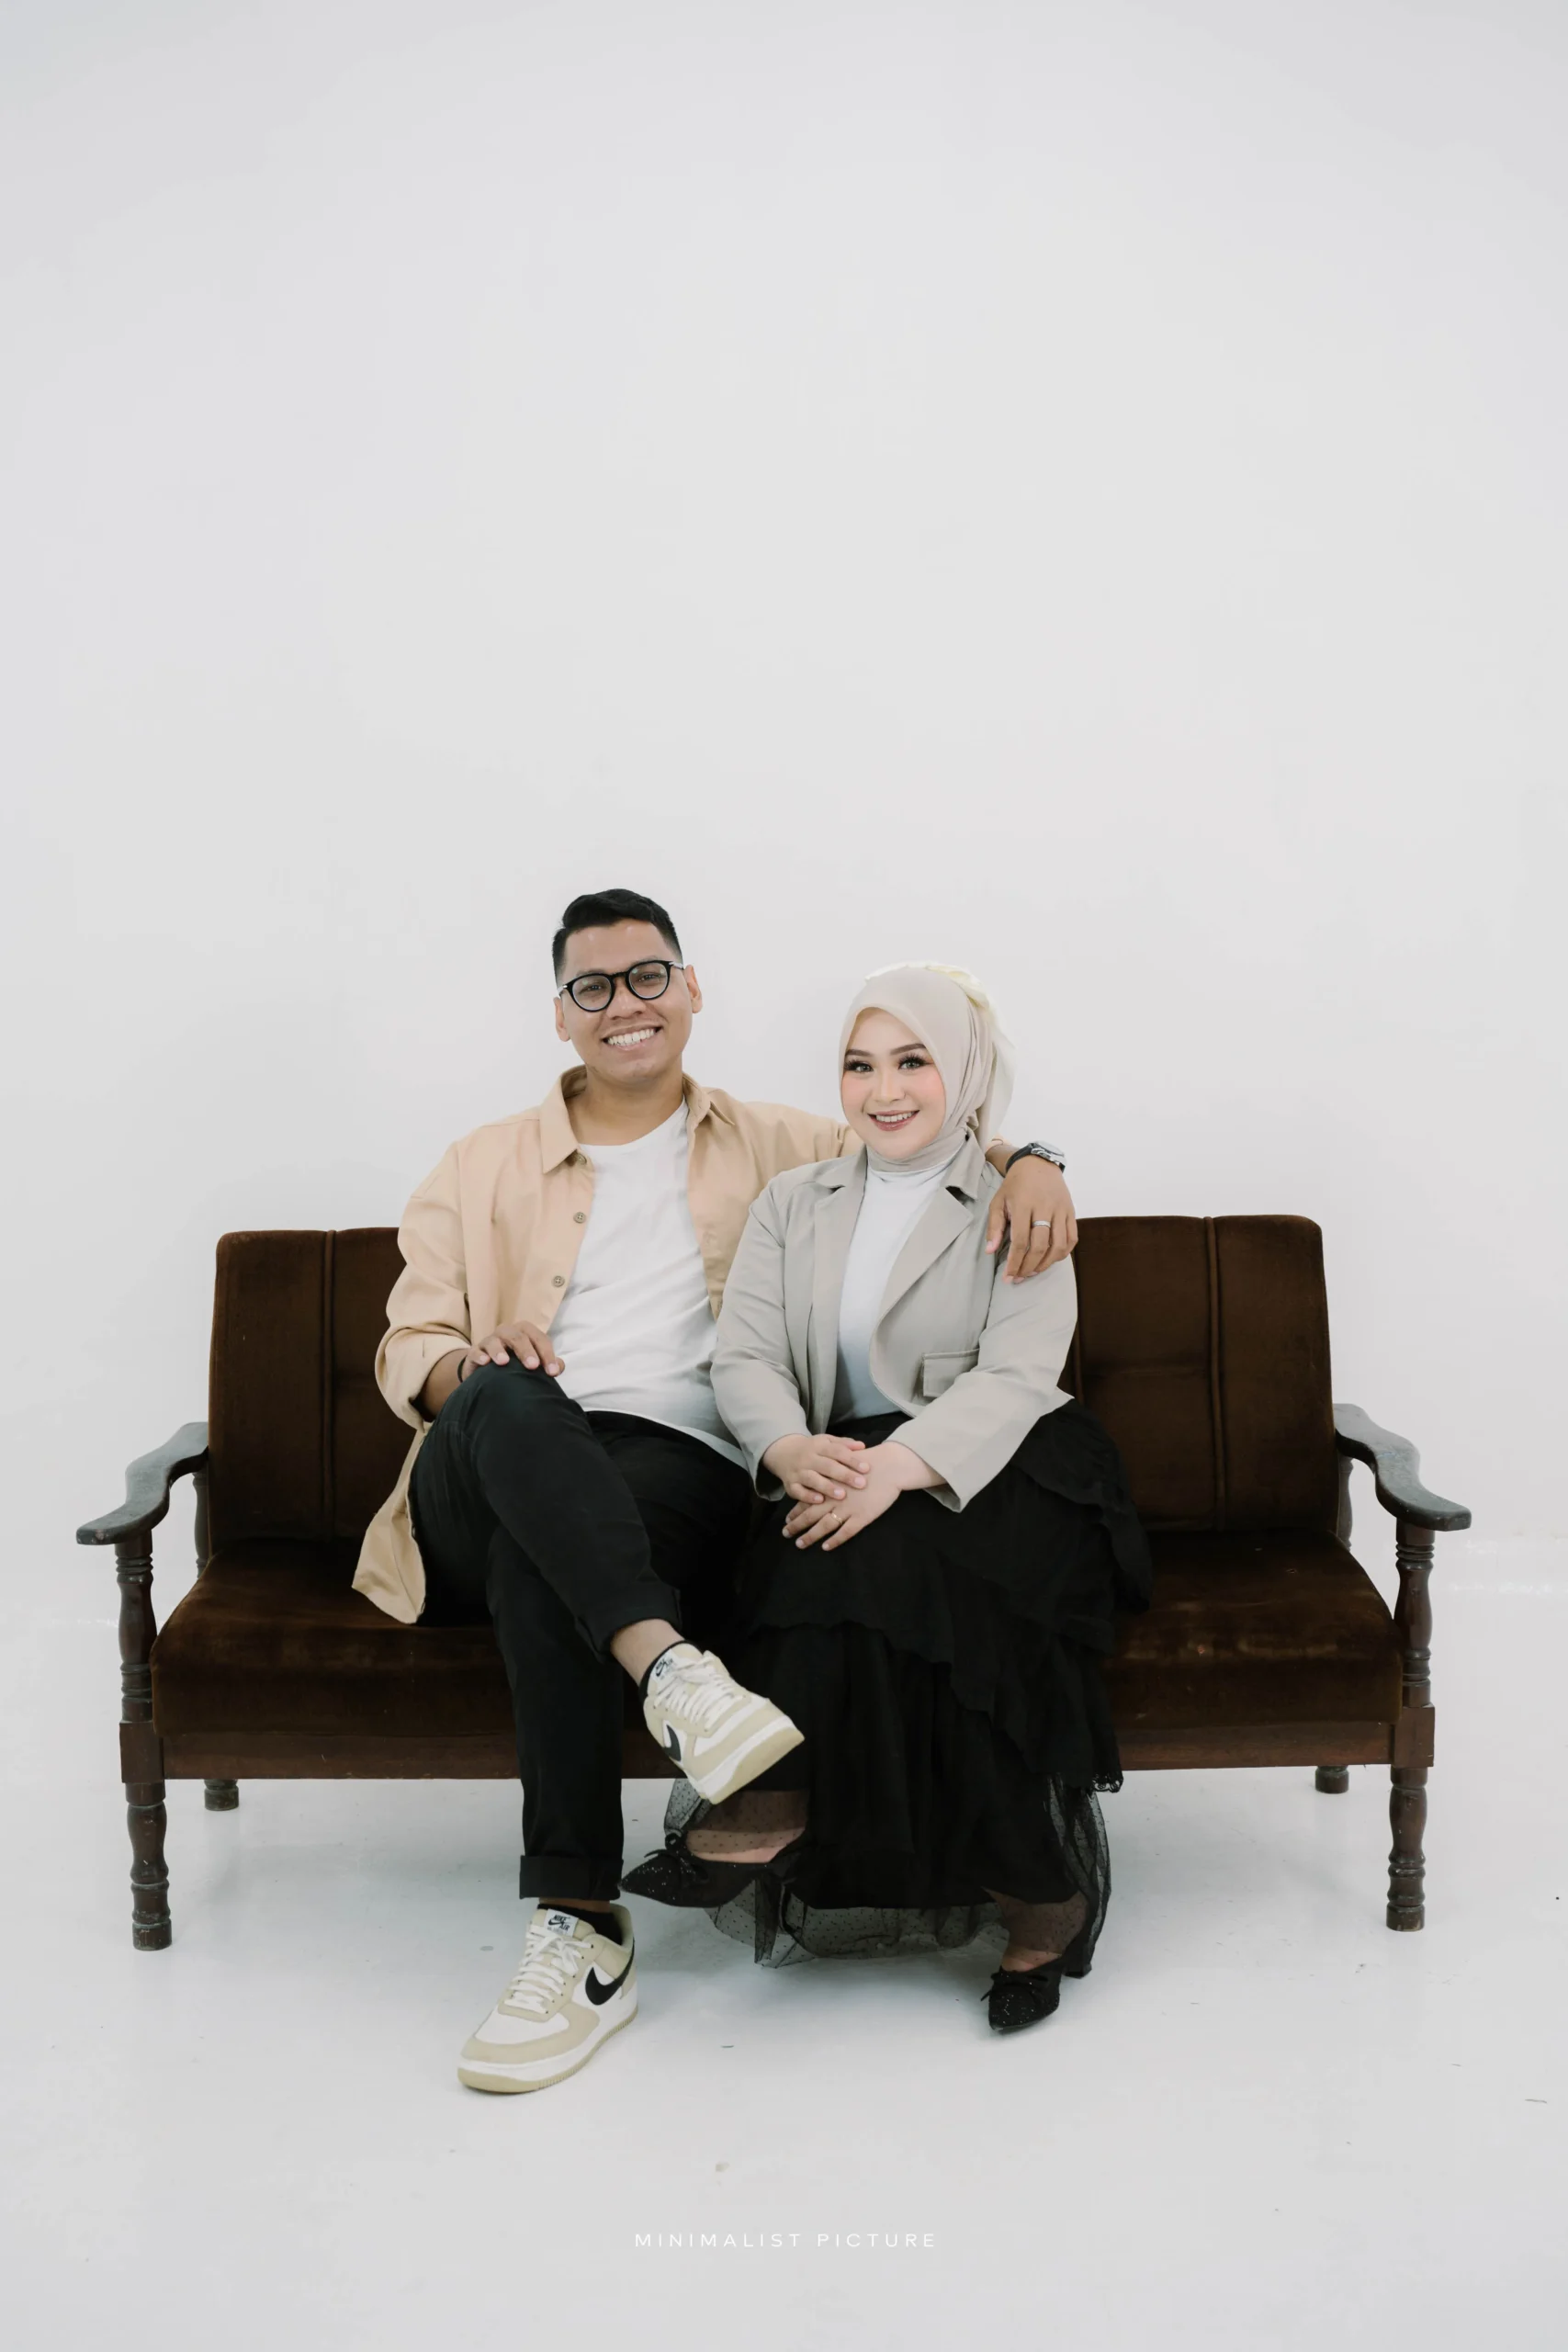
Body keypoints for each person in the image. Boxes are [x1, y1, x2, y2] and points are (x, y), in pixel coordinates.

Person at [355, 891, 1078, 2091]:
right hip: (483, 1463)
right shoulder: (475, 1164)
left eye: (648, 976)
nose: (623, 1004)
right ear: (559, 1014)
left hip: (669, 1481)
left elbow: (919, 1125)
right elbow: (407, 1344)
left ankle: (578, 1925)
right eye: (592, 987)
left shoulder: (781, 1146)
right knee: (513, 1403)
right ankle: (672, 1674)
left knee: (556, 1555)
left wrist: (1034, 1162)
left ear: (690, 990)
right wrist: (466, 1369)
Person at [625, 963, 1150, 2035]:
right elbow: (746, 1355)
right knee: (841, 1560)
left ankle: (770, 1798)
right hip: (840, 1455)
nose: (885, 1088)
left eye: (913, 1060)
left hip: (1012, 1461)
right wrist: (785, 1444)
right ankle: (1036, 1894)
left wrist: (900, 1468)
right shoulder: (793, 1201)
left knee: (885, 1559)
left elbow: (1019, 1374)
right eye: (859, 1066)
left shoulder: (1014, 1198)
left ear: (963, 1071)